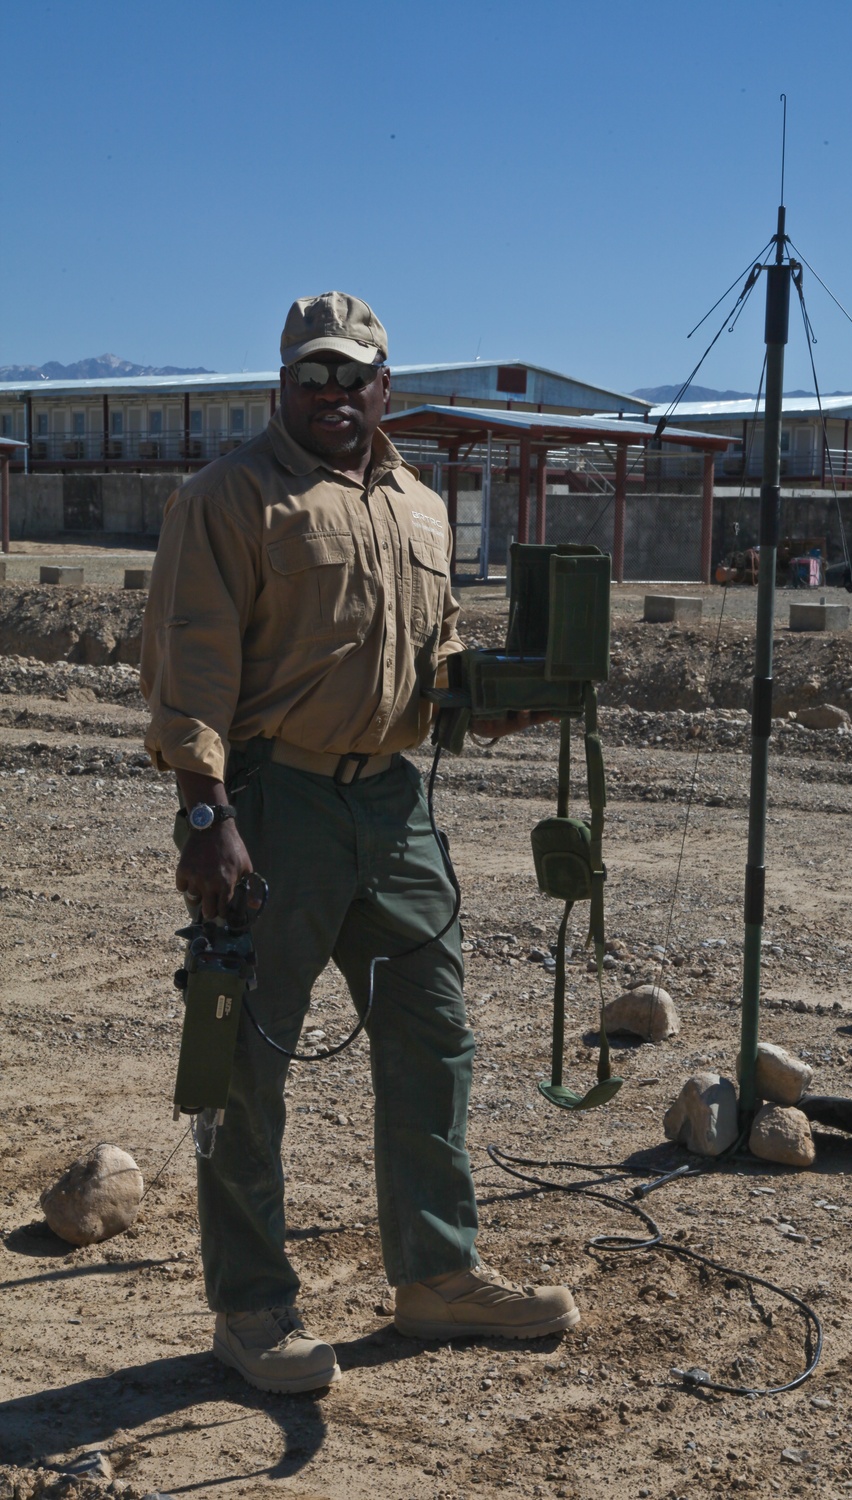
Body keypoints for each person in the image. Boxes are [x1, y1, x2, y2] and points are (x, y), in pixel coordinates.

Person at [141, 291, 579, 1395]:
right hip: (272, 801)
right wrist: (206, 812)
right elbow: (191, 657)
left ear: (387, 387)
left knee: (433, 1037)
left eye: (355, 377)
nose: (333, 396)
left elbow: (433, 656)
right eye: (313, 376)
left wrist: (488, 701)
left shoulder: (421, 507)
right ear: (281, 385)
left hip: (391, 806)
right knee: (246, 1058)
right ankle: (250, 1308)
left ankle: (437, 1275)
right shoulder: (231, 497)